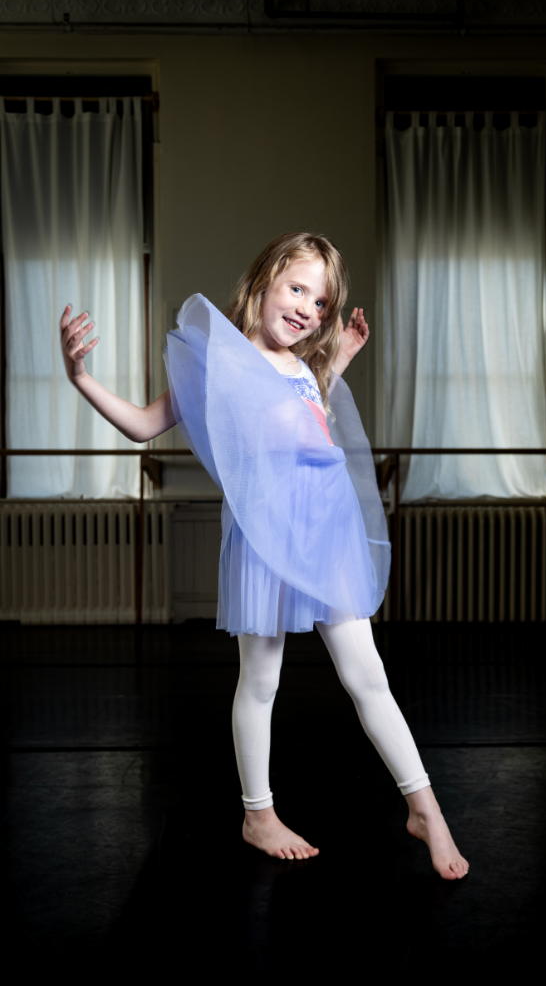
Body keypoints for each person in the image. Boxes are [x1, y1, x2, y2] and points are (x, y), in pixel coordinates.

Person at [59, 232, 469, 879]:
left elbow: (299, 423)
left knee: (368, 677)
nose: (307, 307)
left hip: (326, 531)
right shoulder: (220, 362)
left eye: (321, 301)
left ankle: (426, 811)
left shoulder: (306, 366)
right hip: (266, 536)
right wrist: (80, 376)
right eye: (297, 288)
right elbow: (142, 424)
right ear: (263, 283)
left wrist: (339, 362)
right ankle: (257, 814)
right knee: (261, 680)